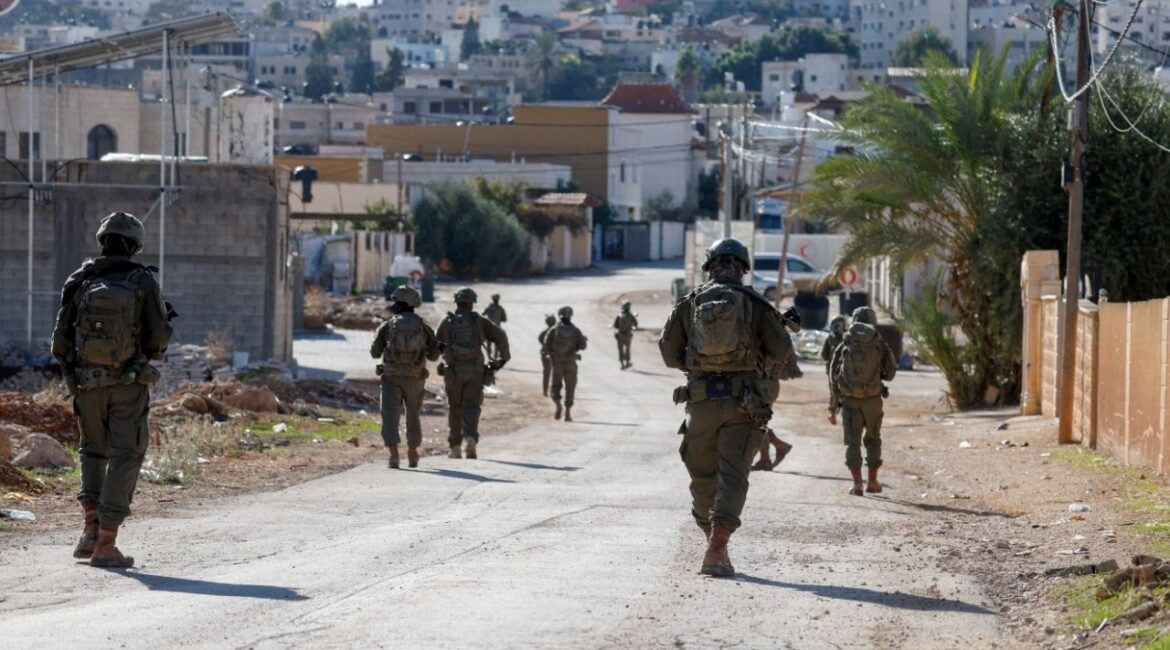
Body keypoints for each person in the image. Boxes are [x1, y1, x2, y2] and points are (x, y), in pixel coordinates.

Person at [659, 238, 794, 577]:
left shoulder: (688, 303)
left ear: (709, 267)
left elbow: (668, 354)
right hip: (743, 404)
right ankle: (716, 549)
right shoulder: (755, 301)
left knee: (703, 477)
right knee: (733, 477)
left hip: (700, 403)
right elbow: (782, 349)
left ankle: (714, 547)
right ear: (743, 268)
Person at [51, 212, 174, 568]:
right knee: (126, 454)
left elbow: (60, 341)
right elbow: (157, 338)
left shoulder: (80, 278)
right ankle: (106, 543)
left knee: (92, 452)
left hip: (86, 386)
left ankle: (90, 529)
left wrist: (76, 375)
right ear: (135, 245)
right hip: (128, 385)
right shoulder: (142, 281)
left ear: (102, 239)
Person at [828, 306, 897, 496]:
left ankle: (857, 484)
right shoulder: (878, 343)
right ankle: (872, 482)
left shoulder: (846, 343)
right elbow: (891, 373)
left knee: (852, 443)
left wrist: (835, 403)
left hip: (850, 401)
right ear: (873, 321)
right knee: (873, 440)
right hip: (873, 401)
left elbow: (833, 374)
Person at [370, 286, 440, 469]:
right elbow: (433, 356)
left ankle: (394, 455)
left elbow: (374, 353)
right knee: (413, 415)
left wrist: (381, 336)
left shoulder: (388, 325)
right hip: (415, 378)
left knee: (390, 415)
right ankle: (412, 451)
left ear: (399, 304)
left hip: (391, 376)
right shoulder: (423, 327)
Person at [436, 287, 509, 459]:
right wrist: (501, 361)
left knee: (455, 408)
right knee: (472, 407)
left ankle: (454, 447)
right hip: (475, 371)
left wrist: (444, 355)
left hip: (453, 372)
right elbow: (501, 336)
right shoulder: (480, 321)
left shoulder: (447, 321)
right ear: (472, 302)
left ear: (457, 301)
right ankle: (470, 439)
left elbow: (435, 344)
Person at [751, 310, 801, 472]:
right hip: (770, 384)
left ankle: (777, 447)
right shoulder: (784, 342)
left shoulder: (772, 341)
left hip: (764, 385)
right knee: (758, 421)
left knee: (756, 422)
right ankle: (767, 456)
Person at [542, 306, 587, 421]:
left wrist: (552, 354)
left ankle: (558, 405)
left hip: (557, 363)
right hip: (571, 362)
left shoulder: (553, 329)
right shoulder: (575, 330)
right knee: (570, 387)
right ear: (570, 315)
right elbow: (583, 346)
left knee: (556, 386)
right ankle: (568, 413)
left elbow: (545, 345)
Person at [822, 315, 847, 425]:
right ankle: (833, 413)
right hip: (835, 372)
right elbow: (824, 355)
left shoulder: (848, 338)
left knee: (840, 393)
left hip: (844, 372)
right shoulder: (830, 339)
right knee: (836, 392)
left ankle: (843, 414)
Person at [612, 301, 639, 369]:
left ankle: (622, 364)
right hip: (628, 335)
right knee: (627, 350)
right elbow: (635, 324)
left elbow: (615, 325)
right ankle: (627, 363)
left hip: (620, 335)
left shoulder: (619, 315)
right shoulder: (631, 316)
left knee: (620, 350)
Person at [482, 293, 507, 362]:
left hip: (489, 328)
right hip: (497, 328)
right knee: (497, 344)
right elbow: (504, 319)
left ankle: (489, 358)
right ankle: (495, 358)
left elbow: (483, 315)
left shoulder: (489, 308)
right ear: (498, 300)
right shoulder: (500, 309)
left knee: (488, 344)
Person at [537, 314, 556, 396]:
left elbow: (540, 340)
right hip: (554, 354)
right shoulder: (556, 331)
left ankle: (545, 390)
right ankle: (553, 391)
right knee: (555, 373)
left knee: (546, 372)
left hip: (545, 354)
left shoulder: (544, 332)